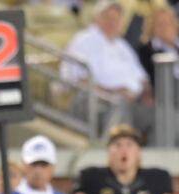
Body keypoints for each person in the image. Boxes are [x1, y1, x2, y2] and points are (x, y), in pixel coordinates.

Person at [61, 1, 151, 136]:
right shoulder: (83, 40)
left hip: (131, 102)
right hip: (93, 101)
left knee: (164, 116)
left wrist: (147, 95)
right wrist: (112, 92)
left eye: (117, 19)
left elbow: (142, 78)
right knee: (119, 106)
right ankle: (115, 151)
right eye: (109, 18)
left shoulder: (122, 45)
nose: (113, 22)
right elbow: (77, 79)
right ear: (98, 18)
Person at [136, 6, 179, 89]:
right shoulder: (146, 50)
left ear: (175, 25)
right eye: (160, 24)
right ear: (152, 28)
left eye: (168, 23)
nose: (165, 28)